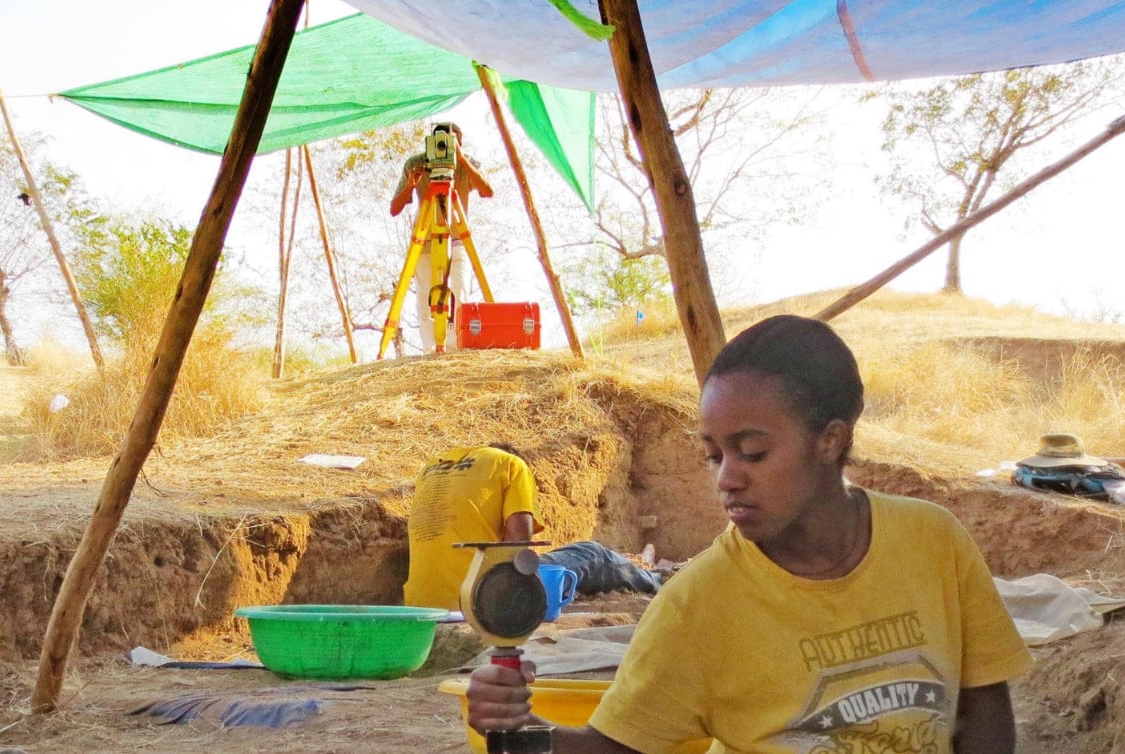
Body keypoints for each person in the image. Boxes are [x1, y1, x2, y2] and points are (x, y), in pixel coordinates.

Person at [465, 314, 1033, 753]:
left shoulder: (933, 542)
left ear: (830, 440)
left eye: (752, 452)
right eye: (714, 456)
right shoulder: (699, 603)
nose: (727, 480)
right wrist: (517, 729)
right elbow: (617, 748)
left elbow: (983, 707)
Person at [389, 124, 494, 353]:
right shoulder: (416, 163)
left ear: (460, 144)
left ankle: (458, 348)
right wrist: (411, 185)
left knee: (459, 292)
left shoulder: (467, 164)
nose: (443, 148)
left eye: (449, 142)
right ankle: (432, 350)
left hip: (457, 240)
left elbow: (488, 191)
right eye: (439, 142)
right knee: (427, 297)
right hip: (425, 241)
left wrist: (461, 158)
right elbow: (394, 208)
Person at [403, 443, 541, 611]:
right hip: (475, 604)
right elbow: (519, 539)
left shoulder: (431, 466)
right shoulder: (513, 464)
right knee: (574, 557)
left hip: (418, 604)